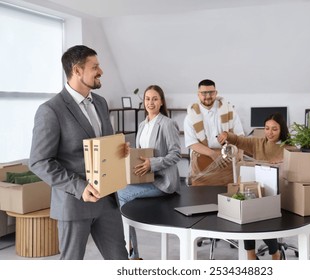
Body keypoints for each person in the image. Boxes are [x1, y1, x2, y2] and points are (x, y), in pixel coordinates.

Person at [29, 45, 128, 260]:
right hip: (74, 204)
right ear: (77, 70)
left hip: (107, 201)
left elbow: (102, 147)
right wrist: (79, 187)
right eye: (95, 67)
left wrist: (118, 150)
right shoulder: (51, 110)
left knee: (121, 262)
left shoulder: (100, 103)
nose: (101, 71)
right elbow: (39, 162)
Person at [117, 85, 181, 260]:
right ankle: (130, 249)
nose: (150, 102)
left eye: (154, 99)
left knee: (121, 193)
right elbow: (141, 153)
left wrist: (152, 164)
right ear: (143, 102)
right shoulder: (142, 124)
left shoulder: (167, 124)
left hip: (163, 182)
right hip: (145, 178)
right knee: (117, 188)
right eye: (147, 99)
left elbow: (175, 155)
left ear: (161, 102)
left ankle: (132, 253)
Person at [217, 112, 288, 260]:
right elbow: (239, 140)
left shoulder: (289, 147)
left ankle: (275, 253)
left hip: (279, 192)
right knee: (245, 212)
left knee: (264, 218)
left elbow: (295, 166)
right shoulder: (258, 143)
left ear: (282, 129)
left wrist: (282, 163)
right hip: (259, 190)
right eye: (267, 128)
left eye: (274, 129)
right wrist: (227, 135)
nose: (270, 132)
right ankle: (250, 254)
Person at [184, 79, 244, 186]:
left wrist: (239, 157)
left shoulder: (229, 110)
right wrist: (213, 154)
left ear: (216, 93)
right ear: (198, 94)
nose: (208, 96)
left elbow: (240, 136)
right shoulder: (191, 116)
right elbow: (191, 143)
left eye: (211, 92)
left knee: (227, 195)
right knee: (201, 196)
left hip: (227, 161)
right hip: (202, 162)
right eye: (204, 93)